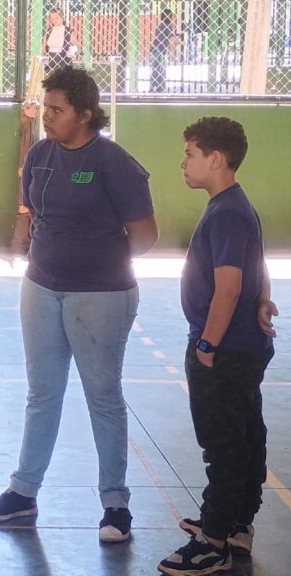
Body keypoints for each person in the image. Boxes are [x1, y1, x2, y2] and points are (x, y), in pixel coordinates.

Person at [0, 67, 158, 543]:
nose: (47, 118)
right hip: (41, 287)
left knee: (102, 396)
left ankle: (115, 506)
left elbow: (145, 236)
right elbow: (32, 205)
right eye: (46, 108)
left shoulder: (113, 162)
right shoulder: (40, 155)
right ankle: (22, 493)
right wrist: (29, 232)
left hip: (101, 294)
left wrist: (95, 259)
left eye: (57, 110)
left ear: (84, 114)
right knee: (42, 393)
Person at [158, 117, 277, 576]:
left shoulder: (226, 211)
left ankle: (213, 541)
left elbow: (228, 288)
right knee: (246, 435)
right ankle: (236, 525)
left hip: (225, 353)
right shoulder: (235, 206)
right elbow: (256, 264)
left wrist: (208, 344)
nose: (183, 163)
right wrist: (264, 296)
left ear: (215, 159)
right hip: (243, 349)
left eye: (189, 154)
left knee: (223, 444)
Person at [150, 9, 178, 93]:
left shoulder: (161, 25)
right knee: (160, 69)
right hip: (159, 49)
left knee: (156, 68)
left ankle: (155, 86)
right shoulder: (167, 26)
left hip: (155, 48)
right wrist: (182, 42)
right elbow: (172, 38)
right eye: (171, 16)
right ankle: (159, 87)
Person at [43, 8, 73, 74]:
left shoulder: (67, 30)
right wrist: (44, 62)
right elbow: (44, 47)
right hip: (50, 59)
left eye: (56, 18)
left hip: (63, 59)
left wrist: (72, 52)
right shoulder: (49, 30)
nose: (54, 20)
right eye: (52, 18)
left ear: (62, 17)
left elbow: (75, 45)